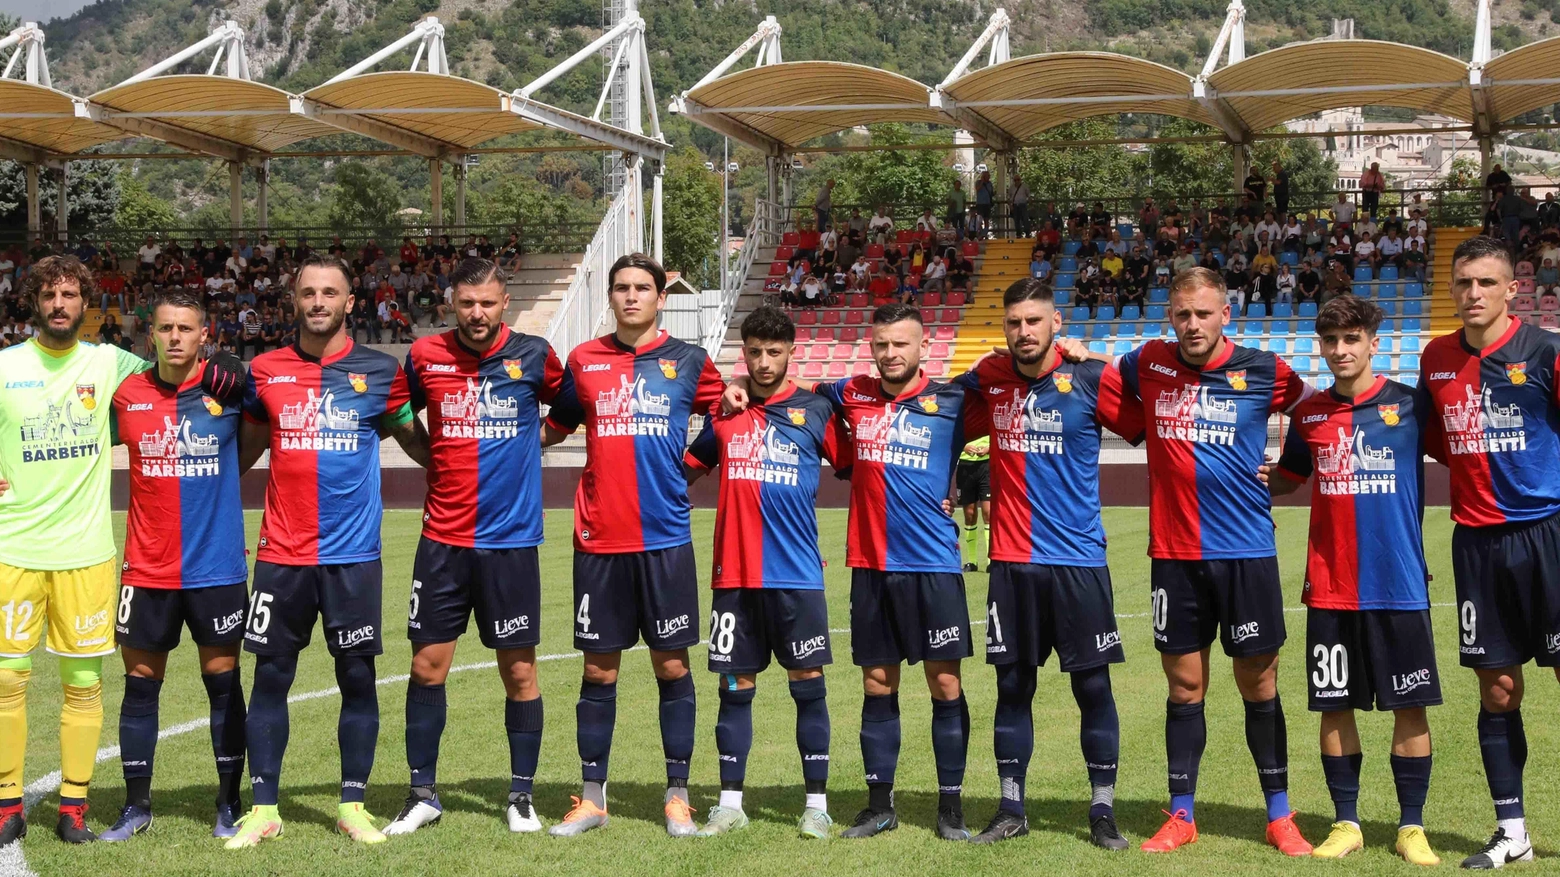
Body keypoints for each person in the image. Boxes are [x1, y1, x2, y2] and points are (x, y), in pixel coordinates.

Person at [0, 256, 241, 847]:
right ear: (32, 300)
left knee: (86, 682)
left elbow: (192, 372)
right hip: (11, 548)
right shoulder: (5, 367)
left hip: (89, 552)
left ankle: (76, 806)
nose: (60, 304)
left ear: (87, 304)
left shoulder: (111, 365)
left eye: (71, 294)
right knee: (8, 680)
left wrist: (230, 365)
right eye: (49, 294)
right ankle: (7, 804)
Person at [727, 303, 977, 841]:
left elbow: (1008, 393)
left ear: (922, 348)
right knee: (876, 682)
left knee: (946, 682)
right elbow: (792, 395)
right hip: (870, 564)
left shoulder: (955, 400)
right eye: (882, 344)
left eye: (901, 344)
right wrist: (734, 384)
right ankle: (878, 805)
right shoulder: (848, 394)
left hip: (933, 563)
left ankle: (950, 808)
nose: (891, 354)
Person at [1104, 266, 1315, 856]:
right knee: (1185, 686)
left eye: (1203, 313)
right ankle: (1181, 814)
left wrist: (1292, 471)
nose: (1192, 324)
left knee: (1259, 681)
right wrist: (1071, 348)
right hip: (1174, 554)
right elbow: (1108, 378)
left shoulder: (1265, 369)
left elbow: (1314, 407)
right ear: (1170, 317)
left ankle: (1280, 815)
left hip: (1247, 551)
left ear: (1227, 314)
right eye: (1182, 314)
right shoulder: (1148, 361)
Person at [227, 255, 431, 849]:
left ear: (350, 302)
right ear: (294, 301)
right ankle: (264, 808)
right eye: (308, 293)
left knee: (358, 678)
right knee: (270, 676)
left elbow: (424, 449)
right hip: (282, 555)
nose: (318, 302)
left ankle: (353, 804)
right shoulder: (263, 372)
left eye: (330, 293)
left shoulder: (381, 373)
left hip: (353, 557)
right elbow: (238, 457)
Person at [540, 253, 726, 838]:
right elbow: (556, 426)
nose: (630, 297)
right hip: (599, 540)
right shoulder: (584, 360)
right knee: (599, 671)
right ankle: (592, 797)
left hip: (665, 539)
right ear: (611, 296)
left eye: (641, 288)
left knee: (672, 665)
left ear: (659, 297)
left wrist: (688, 468)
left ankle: (677, 795)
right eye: (620, 288)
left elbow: (729, 417)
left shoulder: (690, 361)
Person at [954, 278, 1142, 847]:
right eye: (1014, 322)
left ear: (1056, 323)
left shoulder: (1088, 377)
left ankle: (1102, 810)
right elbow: (928, 405)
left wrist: (1102, 356)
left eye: (1034, 321)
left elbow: (1145, 420)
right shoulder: (988, 379)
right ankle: (1011, 808)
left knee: (1093, 688)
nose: (1023, 332)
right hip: (1011, 562)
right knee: (1012, 688)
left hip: (1079, 562)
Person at [382, 258, 565, 837]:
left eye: (487, 302)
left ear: (503, 301)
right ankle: (421, 794)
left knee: (519, 672)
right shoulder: (424, 355)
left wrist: (537, 440)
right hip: (443, 540)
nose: (477, 313)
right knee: (426, 666)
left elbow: (571, 407)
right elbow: (397, 409)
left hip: (510, 544)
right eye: (467, 303)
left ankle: (521, 796)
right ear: (451, 303)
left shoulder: (534, 354)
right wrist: (429, 454)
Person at [1266, 294, 1442, 866]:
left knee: (1409, 707)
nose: (1340, 351)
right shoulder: (1311, 415)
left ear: (1373, 342)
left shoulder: (1413, 406)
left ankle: (1411, 827)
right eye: (1331, 341)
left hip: (1400, 583)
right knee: (1334, 706)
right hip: (1331, 586)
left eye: (1351, 340)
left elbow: (1467, 452)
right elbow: (1289, 479)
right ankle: (1346, 822)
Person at [682, 306, 850, 839]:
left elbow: (859, 467)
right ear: (743, 352)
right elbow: (684, 470)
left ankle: (816, 805)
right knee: (735, 688)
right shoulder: (724, 413)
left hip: (797, 576)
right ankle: (730, 803)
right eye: (754, 351)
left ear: (790, 352)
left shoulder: (817, 409)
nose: (762, 362)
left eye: (773, 352)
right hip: (733, 576)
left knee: (809, 686)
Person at [1420, 235, 1560, 868]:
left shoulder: (1545, 351)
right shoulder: (1436, 359)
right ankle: (1513, 832)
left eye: (1485, 282)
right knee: (1497, 689)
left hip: (1549, 535)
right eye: (1463, 282)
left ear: (1512, 288)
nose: (1472, 294)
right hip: (1476, 542)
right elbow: (1434, 442)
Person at [97, 291, 250, 843]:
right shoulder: (127, 395)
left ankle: (229, 803)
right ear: (151, 335)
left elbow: (276, 405)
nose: (176, 337)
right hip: (147, 569)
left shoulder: (227, 390)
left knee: (224, 685)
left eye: (187, 328)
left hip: (217, 569)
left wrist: (241, 370)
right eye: (166, 328)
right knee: (140, 686)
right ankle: (137, 807)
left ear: (204, 334)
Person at [955, 436, 990, 573]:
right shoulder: (962, 416)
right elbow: (951, 436)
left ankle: (991, 561)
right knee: (969, 514)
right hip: (965, 466)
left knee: (988, 513)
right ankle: (972, 561)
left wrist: (989, 448)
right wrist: (963, 446)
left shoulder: (988, 416)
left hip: (987, 464)